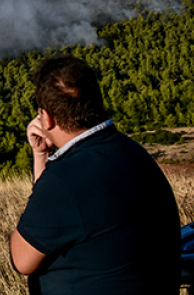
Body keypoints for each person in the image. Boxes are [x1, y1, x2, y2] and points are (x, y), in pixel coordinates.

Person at [10, 55, 180, 295]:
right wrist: (41, 157)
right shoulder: (132, 153)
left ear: (47, 117)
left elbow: (22, 259)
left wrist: (42, 162)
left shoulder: (66, 179)